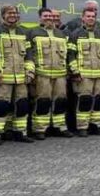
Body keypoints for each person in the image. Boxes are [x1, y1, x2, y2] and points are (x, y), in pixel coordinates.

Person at [0, 4, 34, 143]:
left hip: (21, 76)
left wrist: (30, 72)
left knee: (22, 104)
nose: (13, 15)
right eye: (9, 13)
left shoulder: (23, 32)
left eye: (15, 13)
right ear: (3, 16)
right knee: (1, 105)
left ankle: (20, 132)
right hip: (3, 76)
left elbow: (29, 55)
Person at [26, 8, 72, 138]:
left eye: (50, 16)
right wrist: (31, 71)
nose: (48, 18)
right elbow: (29, 53)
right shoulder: (32, 32)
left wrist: (69, 70)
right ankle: (40, 129)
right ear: (40, 17)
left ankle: (59, 127)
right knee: (42, 101)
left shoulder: (61, 34)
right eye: (45, 16)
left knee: (60, 101)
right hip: (42, 74)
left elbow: (67, 54)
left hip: (60, 74)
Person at [67, 8, 100, 135]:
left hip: (99, 74)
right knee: (84, 100)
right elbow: (70, 54)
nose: (91, 18)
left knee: (98, 100)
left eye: (93, 16)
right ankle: (82, 127)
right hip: (83, 75)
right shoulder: (75, 34)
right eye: (88, 16)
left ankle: (96, 125)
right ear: (83, 18)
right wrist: (75, 72)